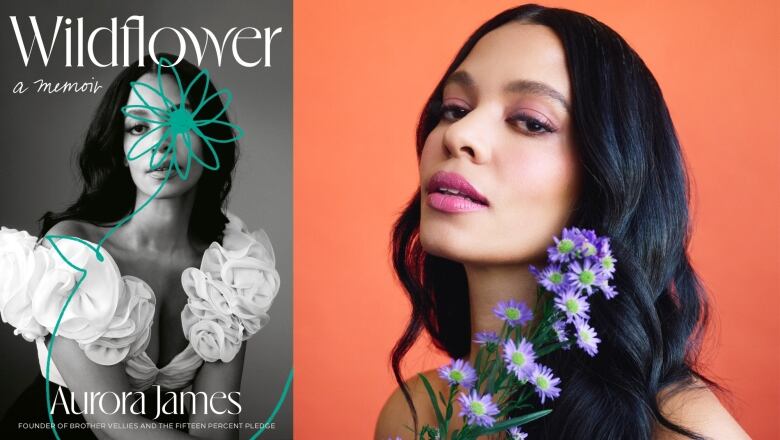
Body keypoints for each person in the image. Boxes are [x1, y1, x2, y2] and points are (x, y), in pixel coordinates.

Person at [375, 4, 749, 439]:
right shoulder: (414, 414)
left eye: (530, 122)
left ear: (608, 175)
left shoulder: (676, 431)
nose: (459, 135)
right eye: (455, 109)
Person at [0, 54, 280, 439]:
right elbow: (113, 426)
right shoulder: (74, 253)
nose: (159, 144)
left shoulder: (232, 267)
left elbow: (216, 427)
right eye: (139, 126)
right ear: (121, 147)